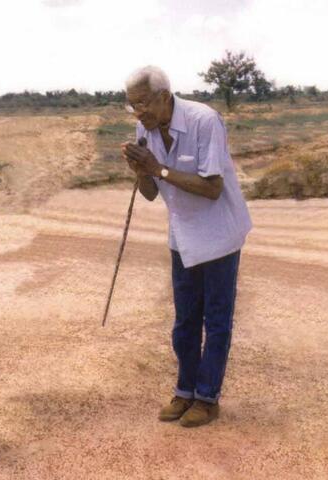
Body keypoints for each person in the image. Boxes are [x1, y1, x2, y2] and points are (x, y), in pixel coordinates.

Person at [122, 66, 252, 427]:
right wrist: (140, 169)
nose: (138, 112)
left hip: (219, 233)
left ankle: (207, 398)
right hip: (182, 236)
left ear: (165, 96)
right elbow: (149, 194)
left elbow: (212, 188)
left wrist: (158, 169)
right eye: (132, 105)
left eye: (144, 103)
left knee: (217, 319)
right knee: (185, 321)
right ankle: (185, 391)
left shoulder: (204, 121)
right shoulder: (144, 129)